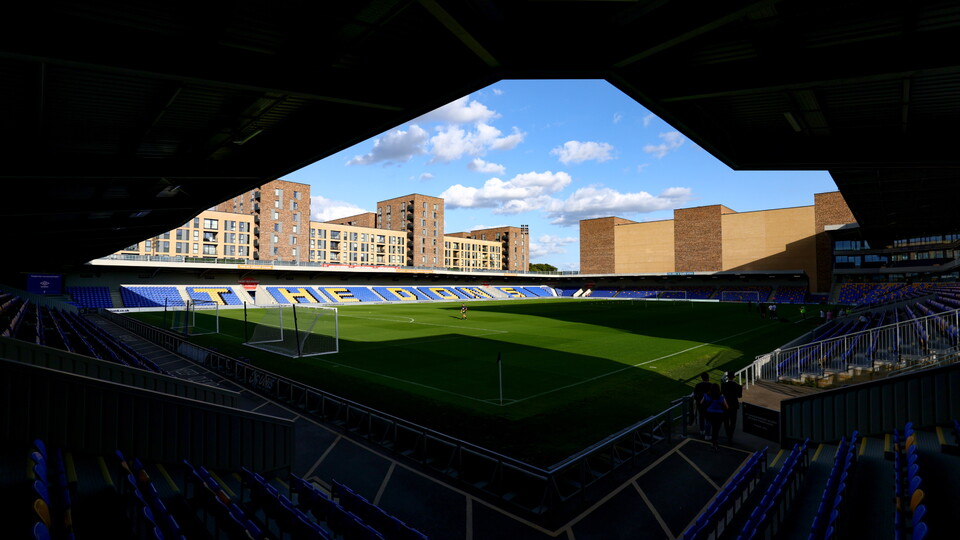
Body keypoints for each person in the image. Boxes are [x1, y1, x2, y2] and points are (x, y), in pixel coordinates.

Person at [700, 383, 728, 451]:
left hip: (709, 414)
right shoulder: (721, 397)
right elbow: (726, 407)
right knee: (716, 429)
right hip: (719, 415)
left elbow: (701, 403)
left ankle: (711, 439)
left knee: (710, 425)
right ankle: (714, 442)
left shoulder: (706, 395)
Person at [721, 371, 742, 443]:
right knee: (733, 422)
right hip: (734, 405)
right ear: (734, 377)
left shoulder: (724, 385)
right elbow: (739, 396)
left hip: (726, 404)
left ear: (727, 377)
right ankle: (730, 435)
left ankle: (728, 435)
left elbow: (722, 393)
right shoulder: (738, 386)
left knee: (726, 421)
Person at [693, 372, 713, 437]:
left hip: (700, 404)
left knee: (701, 417)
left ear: (702, 378)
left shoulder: (698, 385)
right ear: (708, 378)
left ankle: (702, 430)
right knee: (708, 419)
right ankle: (707, 434)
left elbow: (695, 395)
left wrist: (698, 401)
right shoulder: (711, 385)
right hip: (709, 404)